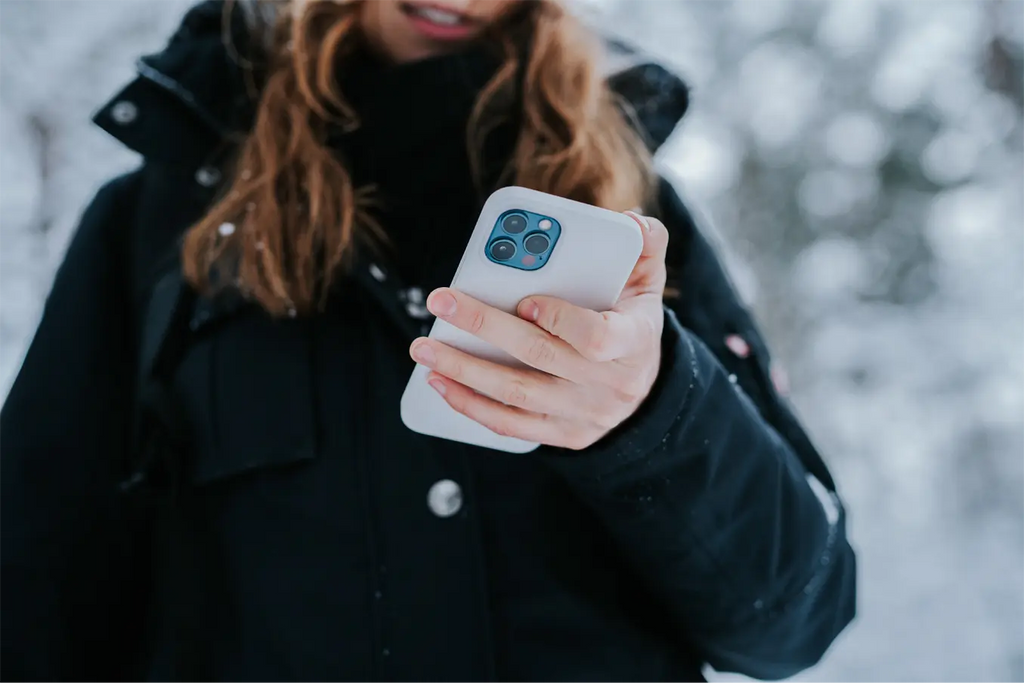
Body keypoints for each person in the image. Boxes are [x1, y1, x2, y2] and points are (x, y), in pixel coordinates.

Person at [0, 0, 856, 681]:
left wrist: (652, 414)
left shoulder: (631, 217)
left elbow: (795, 620)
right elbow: (34, 595)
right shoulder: (156, 220)